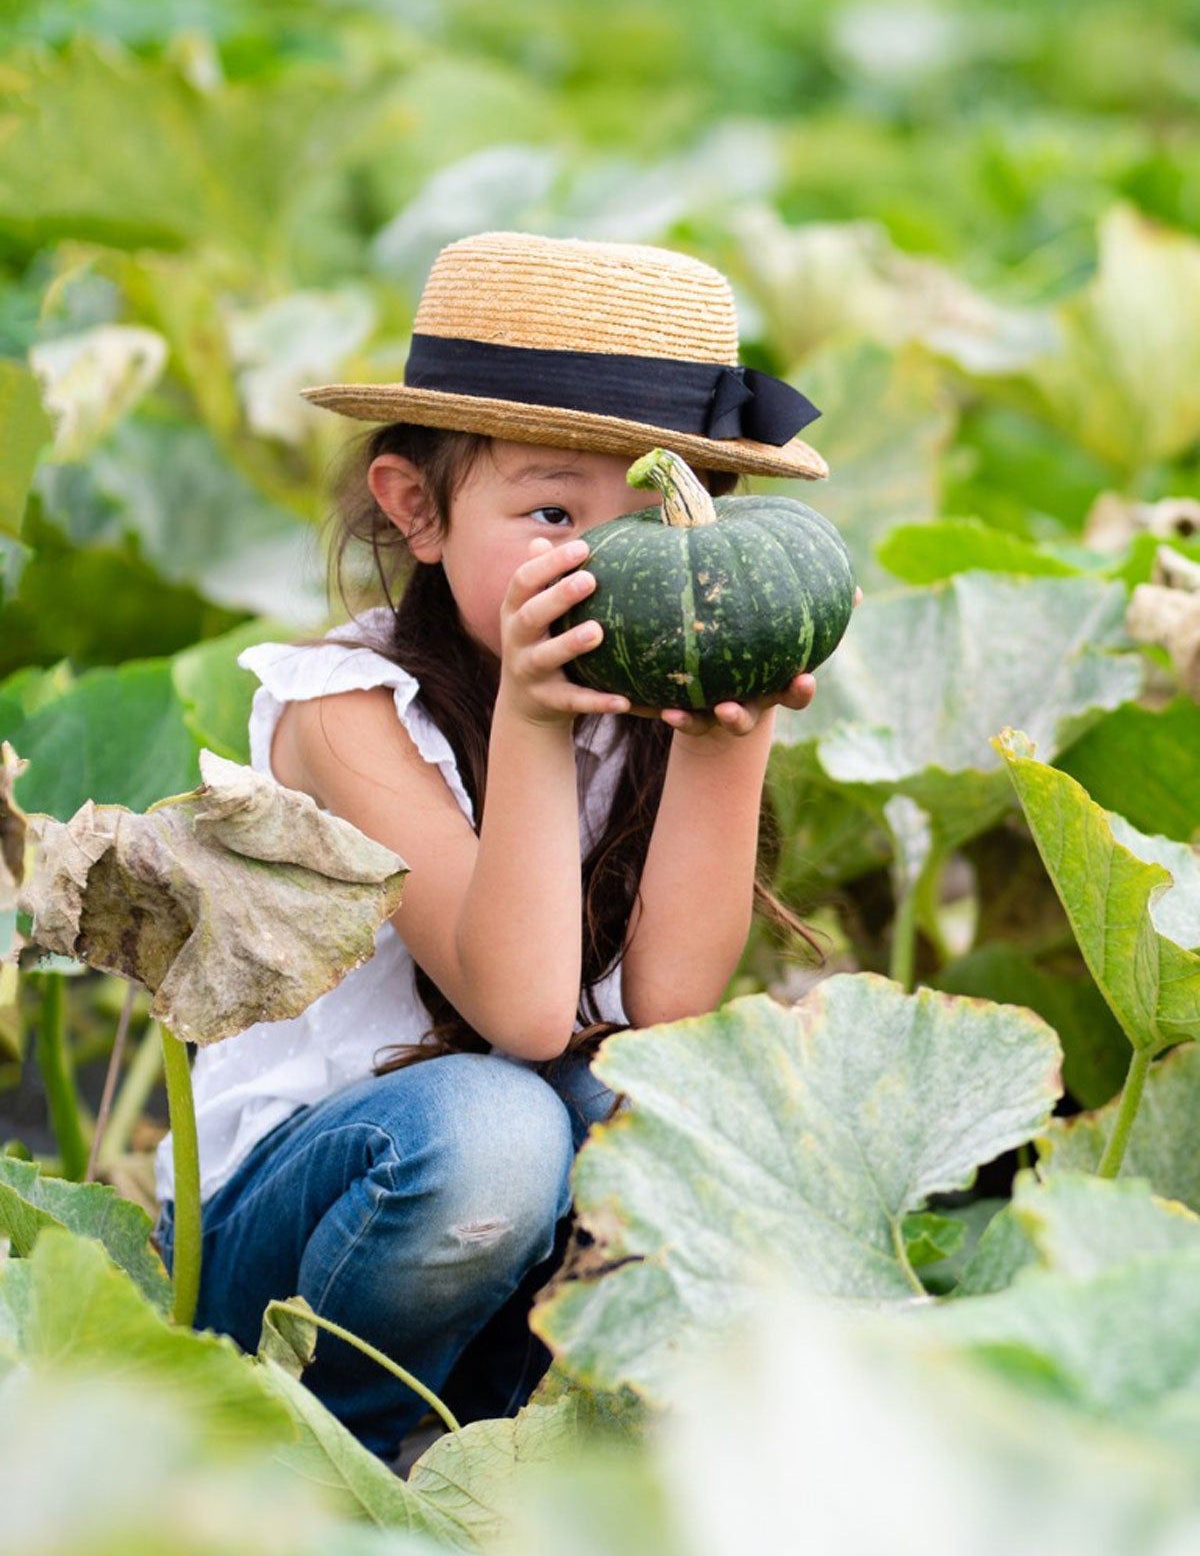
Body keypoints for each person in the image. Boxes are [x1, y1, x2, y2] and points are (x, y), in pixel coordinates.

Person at [151, 230, 859, 1465]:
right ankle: (337, 1462)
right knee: (498, 1126)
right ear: (416, 509)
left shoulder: (642, 691)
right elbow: (527, 1012)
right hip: (270, 1253)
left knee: (649, 1109)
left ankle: (504, 1444)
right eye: (548, 509)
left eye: (653, 514)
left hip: (478, 1247)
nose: (596, 558)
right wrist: (531, 719)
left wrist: (724, 734)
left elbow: (669, 1007)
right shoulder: (344, 712)